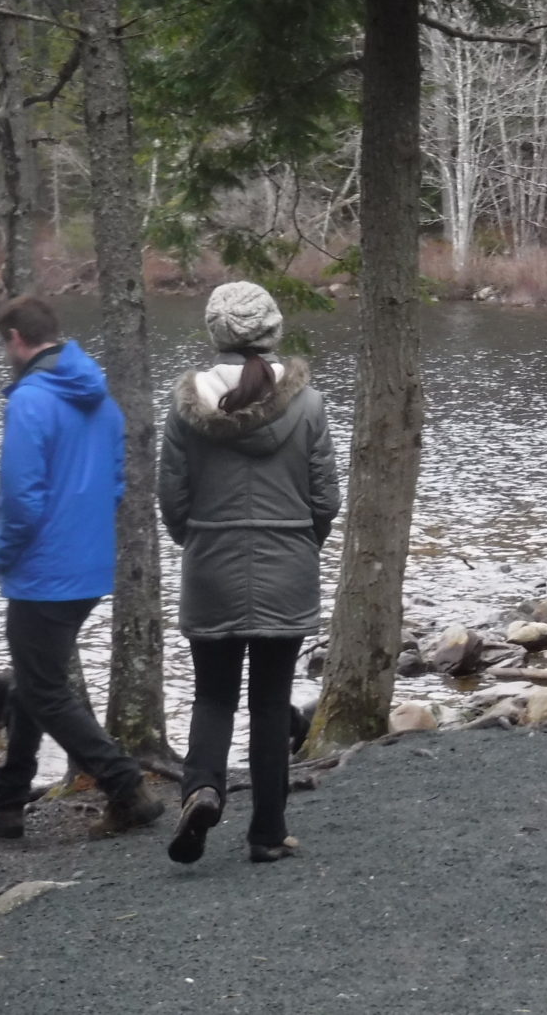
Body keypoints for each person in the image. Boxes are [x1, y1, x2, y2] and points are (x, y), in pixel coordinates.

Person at [0, 296, 164, 839]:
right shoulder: (101, 400)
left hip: (43, 571)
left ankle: (125, 785)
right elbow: (117, 483)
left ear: (18, 339)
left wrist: (3, 554)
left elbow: (21, 497)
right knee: (32, 679)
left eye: (4, 343)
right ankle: (5, 801)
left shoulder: (31, 401)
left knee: (44, 689)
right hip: (88, 568)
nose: (5, 353)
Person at [159, 282, 342, 864]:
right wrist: (300, 544)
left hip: (210, 566)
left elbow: (172, 500)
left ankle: (204, 788)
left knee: (213, 696)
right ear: (271, 332)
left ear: (216, 335)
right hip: (287, 566)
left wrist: (200, 543)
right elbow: (325, 499)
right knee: (270, 702)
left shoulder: (186, 408)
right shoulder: (308, 405)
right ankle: (267, 833)